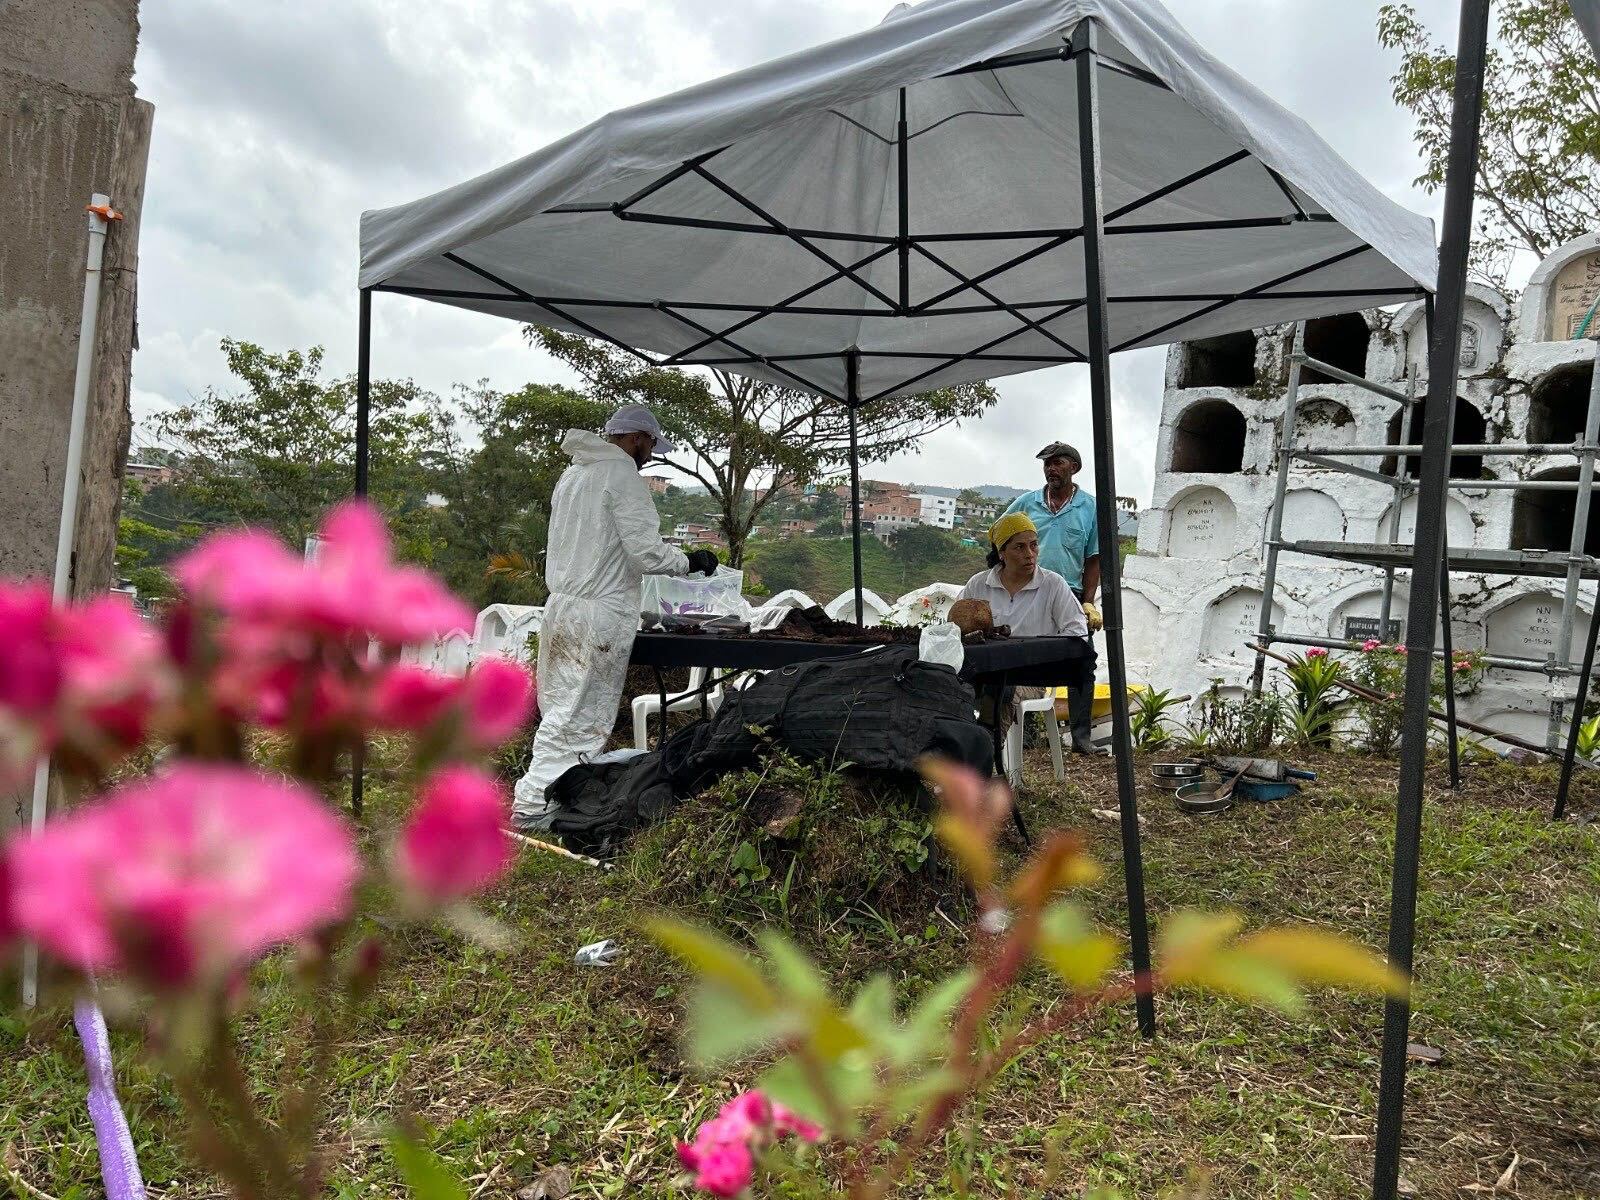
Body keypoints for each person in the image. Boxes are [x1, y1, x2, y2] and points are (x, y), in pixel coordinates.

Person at [512, 404, 717, 831]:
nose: (648, 455)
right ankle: (532, 806)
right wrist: (689, 560)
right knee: (576, 715)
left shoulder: (574, 475)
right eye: (648, 446)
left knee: (560, 709)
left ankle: (559, 798)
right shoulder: (621, 475)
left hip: (564, 607)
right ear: (638, 439)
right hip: (598, 615)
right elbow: (644, 551)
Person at [1000, 445, 1105, 753]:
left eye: (1057, 463)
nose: (1050, 469)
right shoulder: (1026, 503)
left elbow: (1094, 559)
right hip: (1028, 591)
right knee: (1020, 658)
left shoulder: (1090, 508)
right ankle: (1026, 735)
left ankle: (1082, 739)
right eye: (1047, 464)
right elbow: (1000, 539)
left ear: (1073, 466)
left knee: (1081, 662)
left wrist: (1089, 602)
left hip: (1069, 594)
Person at [959, 512, 1095, 739]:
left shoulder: (1053, 585)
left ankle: (984, 755)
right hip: (984, 672)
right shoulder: (978, 585)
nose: (1030, 554)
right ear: (1001, 553)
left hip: (1032, 676)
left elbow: (1077, 632)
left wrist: (1038, 652)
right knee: (949, 685)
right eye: (1019, 547)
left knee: (1002, 689)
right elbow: (957, 629)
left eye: (1033, 545)